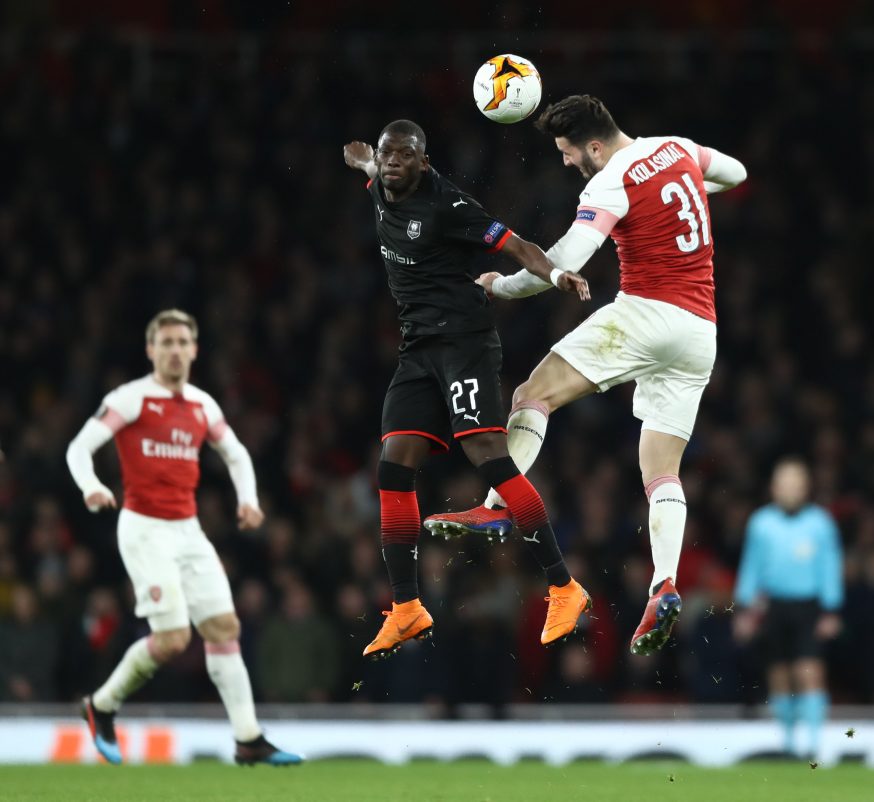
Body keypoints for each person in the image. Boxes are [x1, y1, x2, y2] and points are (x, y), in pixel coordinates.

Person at [424, 95, 747, 656]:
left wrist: (501, 286)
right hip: (700, 333)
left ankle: (498, 507)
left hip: (646, 312)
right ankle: (663, 583)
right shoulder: (676, 150)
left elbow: (563, 260)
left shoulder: (610, 181)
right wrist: (687, 192)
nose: (568, 164)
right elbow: (737, 173)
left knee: (533, 393)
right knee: (661, 473)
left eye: (569, 154)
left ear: (593, 145)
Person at [343, 119, 593, 661]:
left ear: (424, 163)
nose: (391, 163)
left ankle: (564, 588)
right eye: (386, 155)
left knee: (489, 459)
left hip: (464, 344)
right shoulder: (380, 183)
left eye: (404, 156)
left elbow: (517, 245)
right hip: (419, 350)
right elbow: (371, 165)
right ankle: (407, 608)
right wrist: (362, 158)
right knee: (393, 466)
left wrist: (555, 276)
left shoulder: (447, 205)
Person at [66, 309, 301, 767]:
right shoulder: (132, 399)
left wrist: (248, 500)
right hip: (144, 528)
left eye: (182, 343)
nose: (174, 351)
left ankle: (248, 738)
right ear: (151, 350)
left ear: (194, 350)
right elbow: (79, 448)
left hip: (188, 530)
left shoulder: (202, 404)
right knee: (172, 639)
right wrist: (91, 486)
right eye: (166, 343)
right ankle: (101, 705)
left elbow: (236, 455)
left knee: (223, 628)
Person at [732, 458, 844, 758]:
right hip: (773, 605)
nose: (791, 490)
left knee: (810, 671)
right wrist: (744, 608)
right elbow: (751, 567)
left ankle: (814, 744)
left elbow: (829, 566)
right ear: (774, 488)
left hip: (808, 606)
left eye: (797, 484)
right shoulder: (761, 522)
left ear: (806, 488)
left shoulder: (820, 523)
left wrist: (831, 610)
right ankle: (788, 743)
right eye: (785, 483)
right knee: (779, 674)